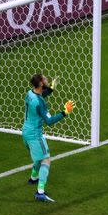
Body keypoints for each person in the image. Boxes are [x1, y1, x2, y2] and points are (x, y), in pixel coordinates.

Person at [23, 74, 75, 202]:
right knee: (46, 160)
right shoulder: (39, 103)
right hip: (35, 135)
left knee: (38, 157)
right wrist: (65, 112)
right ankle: (40, 192)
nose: (47, 80)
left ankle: (33, 178)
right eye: (45, 79)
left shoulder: (30, 93)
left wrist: (51, 88)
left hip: (25, 131)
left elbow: (41, 95)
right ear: (40, 84)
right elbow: (50, 121)